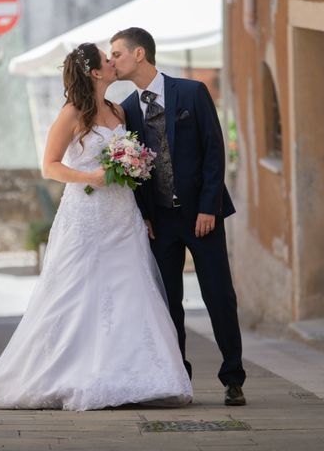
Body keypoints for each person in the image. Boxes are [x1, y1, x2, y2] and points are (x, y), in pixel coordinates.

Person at [0, 43, 192, 411]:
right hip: (87, 214)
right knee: (76, 293)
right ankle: (71, 371)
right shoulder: (72, 112)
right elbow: (49, 166)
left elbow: (126, 162)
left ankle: (141, 377)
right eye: (107, 60)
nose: (113, 63)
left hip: (122, 215)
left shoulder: (116, 110)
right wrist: (90, 176)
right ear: (95, 72)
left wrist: (135, 181)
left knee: (132, 289)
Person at [110, 27, 247, 406]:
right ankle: (178, 377)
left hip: (202, 216)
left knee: (220, 296)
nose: (112, 61)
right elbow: (133, 171)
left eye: (117, 53)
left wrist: (208, 207)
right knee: (168, 302)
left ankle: (233, 377)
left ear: (140, 54)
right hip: (161, 223)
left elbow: (213, 152)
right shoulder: (127, 110)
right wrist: (145, 216)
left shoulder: (191, 92)